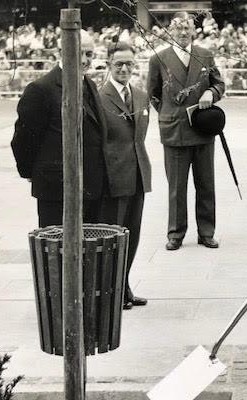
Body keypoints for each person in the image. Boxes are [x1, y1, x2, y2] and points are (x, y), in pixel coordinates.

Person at [11, 30, 109, 228]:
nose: (84, 60)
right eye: (78, 52)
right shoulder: (41, 89)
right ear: (60, 52)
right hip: (56, 189)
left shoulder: (89, 84)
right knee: (57, 250)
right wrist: (33, 172)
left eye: (89, 54)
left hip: (92, 185)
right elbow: (23, 139)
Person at [147, 12, 225, 250]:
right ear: (170, 30)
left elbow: (218, 83)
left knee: (206, 184)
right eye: (178, 28)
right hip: (175, 131)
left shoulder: (205, 55)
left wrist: (211, 93)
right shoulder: (158, 59)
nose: (182, 32)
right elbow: (154, 95)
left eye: (187, 28)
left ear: (194, 30)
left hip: (202, 129)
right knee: (176, 188)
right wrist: (171, 113)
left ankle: (207, 232)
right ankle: (175, 234)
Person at [99, 42, 151, 310]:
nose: (124, 68)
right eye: (118, 63)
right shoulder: (100, 96)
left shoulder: (141, 96)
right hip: (113, 179)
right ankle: (111, 292)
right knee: (113, 237)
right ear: (109, 64)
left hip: (138, 176)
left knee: (132, 235)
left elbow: (139, 138)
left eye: (129, 63)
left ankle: (124, 287)